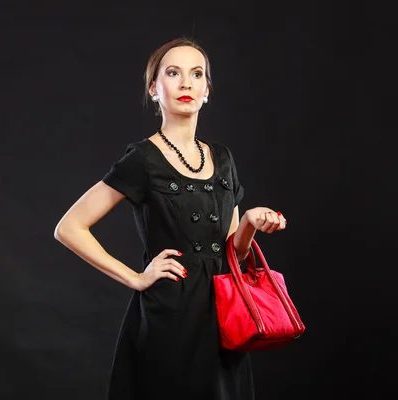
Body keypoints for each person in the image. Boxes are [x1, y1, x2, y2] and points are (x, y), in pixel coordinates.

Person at [53, 37, 287, 400]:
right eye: (173, 73)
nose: (186, 83)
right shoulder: (143, 159)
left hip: (224, 314)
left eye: (197, 74)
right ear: (154, 87)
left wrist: (250, 224)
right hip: (171, 312)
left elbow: (233, 256)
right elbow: (69, 227)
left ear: (207, 89)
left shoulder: (223, 158)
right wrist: (135, 278)